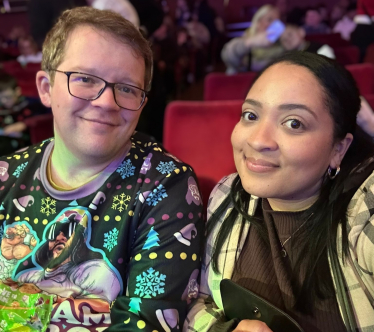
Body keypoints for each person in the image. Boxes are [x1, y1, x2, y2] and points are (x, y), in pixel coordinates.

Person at [0, 7, 203, 331]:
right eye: (85, 79)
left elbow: (149, 322)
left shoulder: (164, 184)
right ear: (46, 88)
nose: (107, 102)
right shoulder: (6, 175)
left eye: (126, 88)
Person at [184, 52, 374, 332]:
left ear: (338, 149)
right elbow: (196, 300)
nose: (258, 140)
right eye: (250, 115)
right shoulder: (227, 197)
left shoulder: (364, 211)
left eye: (294, 123)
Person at [221, 4, 284, 74]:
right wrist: (250, 42)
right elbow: (227, 56)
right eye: (269, 20)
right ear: (258, 22)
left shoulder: (283, 45)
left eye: (277, 22)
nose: (273, 25)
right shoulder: (246, 39)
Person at [0, 72, 50, 155]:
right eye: (0, 98)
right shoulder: (2, 108)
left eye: (7, 97)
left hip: (27, 145)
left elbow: (48, 116)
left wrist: (24, 124)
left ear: (17, 91)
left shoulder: (31, 104)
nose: (3, 101)